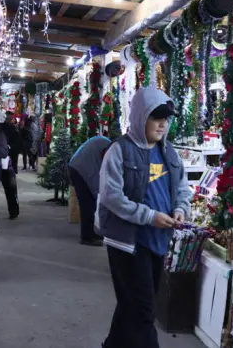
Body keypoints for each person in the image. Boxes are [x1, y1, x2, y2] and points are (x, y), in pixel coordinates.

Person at [97, 87, 192, 348]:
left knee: (132, 304)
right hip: (128, 241)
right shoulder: (120, 150)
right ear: (141, 117)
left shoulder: (169, 152)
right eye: (156, 117)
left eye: (166, 118)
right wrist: (150, 217)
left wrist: (181, 209)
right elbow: (111, 196)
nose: (162, 124)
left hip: (158, 240)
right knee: (144, 310)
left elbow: (182, 187)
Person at [69, 135, 111, 246]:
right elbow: (106, 167)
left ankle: (90, 233)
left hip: (77, 167)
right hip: (81, 170)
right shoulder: (109, 148)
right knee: (87, 205)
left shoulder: (105, 143)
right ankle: (86, 237)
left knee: (90, 203)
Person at [0, 110, 20, 219]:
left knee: (10, 188)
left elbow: (17, 146)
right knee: (9, 189)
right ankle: (13, 211)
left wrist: (8, 149)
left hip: (8, 163)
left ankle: (14, 210)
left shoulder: (11, 130)